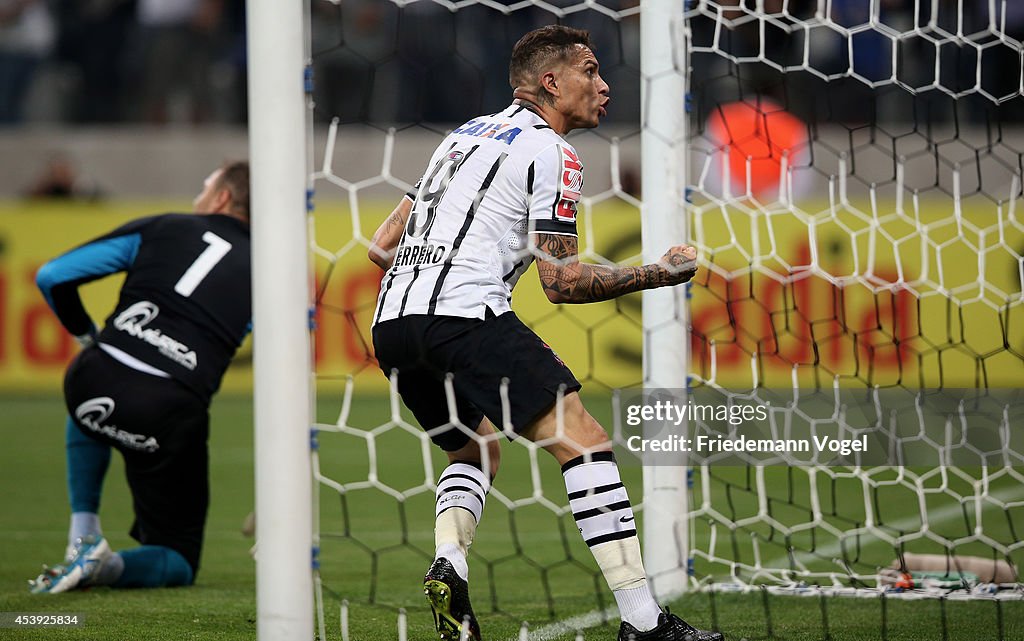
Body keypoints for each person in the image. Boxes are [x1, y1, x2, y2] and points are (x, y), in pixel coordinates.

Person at [367, 26, 720, 641]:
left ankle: (449, 564)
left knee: (476, 449)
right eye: (590, 71)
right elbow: (562, 283)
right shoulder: (553, 154)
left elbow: (380, 247)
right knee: (583, 441)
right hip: (464, 315)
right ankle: (642, 622)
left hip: (393, 323)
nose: (604, 85)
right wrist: (659, 272)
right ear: (551, 83)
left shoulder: (461, 137)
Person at [29, 160, 251, 594]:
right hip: (168, 410)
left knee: (92, 399)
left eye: (205, 187)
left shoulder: (164, 226)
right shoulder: (272, 269)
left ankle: (82, 534)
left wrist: (86, 336)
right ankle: (105, 566)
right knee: (177, 559)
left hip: (92, 378)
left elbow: (52, 276)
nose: (197, 198)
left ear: (223, 197)